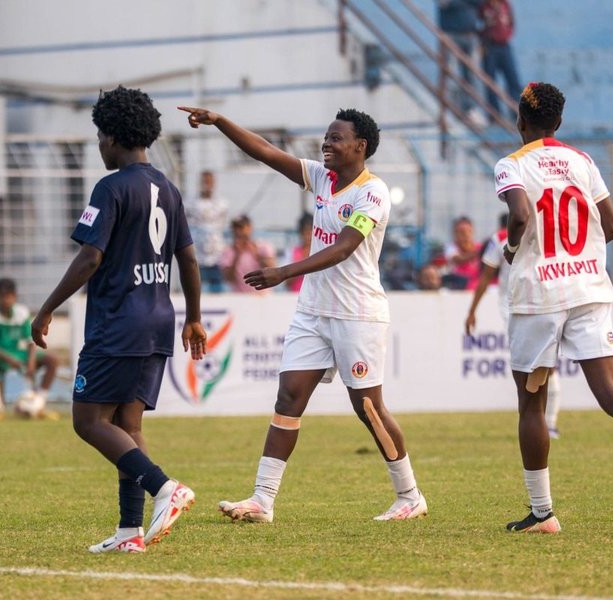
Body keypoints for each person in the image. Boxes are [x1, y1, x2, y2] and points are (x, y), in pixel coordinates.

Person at [179, 104, 427, 522]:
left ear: (359, 146)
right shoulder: (322, 177)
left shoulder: (373, 192)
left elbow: (345, 246)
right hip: (313, 311)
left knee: (368, 407)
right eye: (326, 138)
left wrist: (285, 272)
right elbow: (265, 152)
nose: (326, 144)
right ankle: (262, 500)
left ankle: (410, 495)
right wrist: (221, 121)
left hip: (357, 314)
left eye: (335, 138)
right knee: (289, 397)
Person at [496, 82, 613, 533]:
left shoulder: (512, 165)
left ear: (520, 121)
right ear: (559, 123)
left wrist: (510, 247)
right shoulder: (582, 161)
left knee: (531, 403)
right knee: (610, 393)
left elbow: (521, 215)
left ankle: (542, 514)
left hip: (539, 295)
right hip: (589, 289)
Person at [31, 86, 208, 553]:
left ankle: (165, 488)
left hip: (118, 324)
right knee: (127, 428)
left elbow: (90, 258)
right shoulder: (168, 188)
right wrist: (193, 317)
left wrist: (47, 306)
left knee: (88, 421)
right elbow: (187, 259)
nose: (98, 146)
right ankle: (130, 532)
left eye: (98, 136)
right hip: (158, 321)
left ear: (111, 137)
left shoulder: (110, 188)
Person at [464, 214, 561, 438]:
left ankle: (546, 423)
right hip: (529, 305)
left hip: (522, 307)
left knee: (538, 365)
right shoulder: (530, 235)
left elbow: (486, 276)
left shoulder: (499, 239)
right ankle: (545, 423)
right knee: (537, 365)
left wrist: (472, 311)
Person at [0, 277, 58, 419]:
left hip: (18, 354)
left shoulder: (21, 312)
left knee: (52, 359)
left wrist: (31, 362)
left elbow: (30, 341)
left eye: (10, 296)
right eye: (3, 297)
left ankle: (38, 404)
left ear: (15, 297)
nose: (7, 300)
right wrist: (10, 359)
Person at [184, 170, 228, 292]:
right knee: (195, 288)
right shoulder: (189, 204)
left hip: (216, 254)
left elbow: (222, 224)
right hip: (197, 254)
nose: (207, 184)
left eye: (209, 181)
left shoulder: (221, 204)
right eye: (204, 181)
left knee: (217, 288)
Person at [437, 0, 483, 120]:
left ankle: (469, 109)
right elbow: (443, 3)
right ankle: (445, 112)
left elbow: (480, 2)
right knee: (448, 74)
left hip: (470, 34)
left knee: (471, 75)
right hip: (450, 35)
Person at [478, 0, 523, 120]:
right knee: (490, 82)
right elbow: (477, 24)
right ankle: (494, 116)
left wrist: (506, 34)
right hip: (489, 47)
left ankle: (516, 114)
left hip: (504, 46)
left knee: (513, 80)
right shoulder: (483, 6)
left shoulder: (505, 5)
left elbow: (511, 22)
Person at [219, 214, 277, 293]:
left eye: (241, 228)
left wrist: (255, 253)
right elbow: (228, 278)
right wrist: (237, 256)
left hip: (263, 297)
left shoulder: (263, 247)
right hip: (239, 298)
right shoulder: (228, 251)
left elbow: (272, 269)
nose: (237, 231)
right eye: (235, 228)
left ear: (250, 227)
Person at [443, 215, 482, 290]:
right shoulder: (450, 248)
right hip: (458, 287)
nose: (466, 235)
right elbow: (458, 259)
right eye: (462, 232)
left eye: (469, 231)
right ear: (455, 234)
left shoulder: (479, 247)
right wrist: (480, 252)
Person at [285, 212, 313, 292]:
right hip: (295, 297)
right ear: (300, 233)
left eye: (310, 231)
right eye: (305, 232)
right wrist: (304, 264)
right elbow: (287, 282)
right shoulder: (291, 252)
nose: (308, 236)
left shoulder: (321, 252)